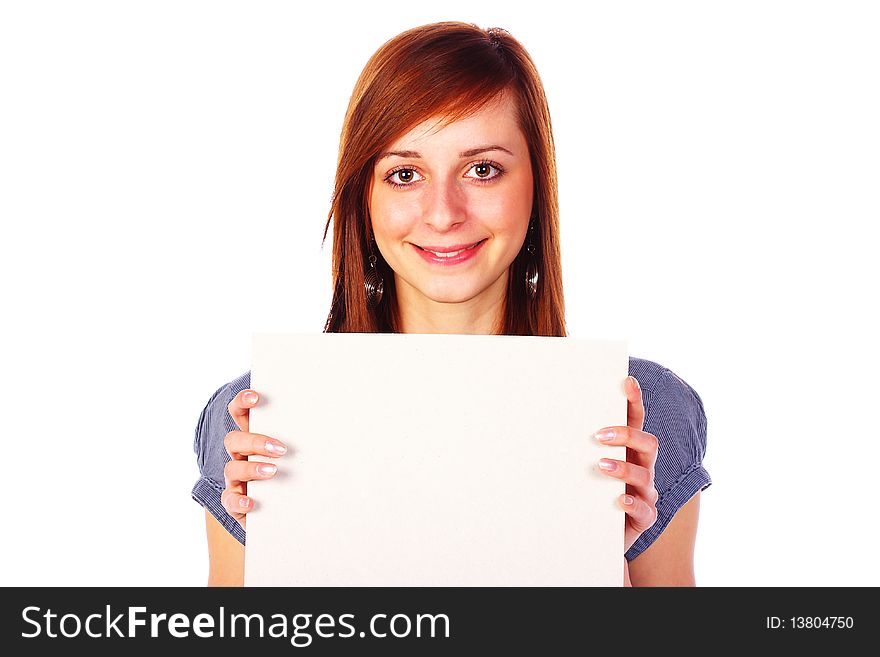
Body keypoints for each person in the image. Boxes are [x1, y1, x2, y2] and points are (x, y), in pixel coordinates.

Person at [191, 21, 711, 587]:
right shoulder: (257, 415)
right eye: (405, 174)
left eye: (482, 169)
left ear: (536, 185)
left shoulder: (643, 411)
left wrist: (603, 563)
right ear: (364, 196)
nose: (442, 213)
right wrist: (273, 555)